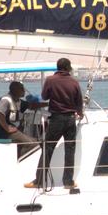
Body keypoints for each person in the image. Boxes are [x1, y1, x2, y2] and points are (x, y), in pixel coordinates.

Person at [41, 58, 85, 190]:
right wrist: (80, 113)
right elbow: (79, 102)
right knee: (70, 150)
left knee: (48, 148)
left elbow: (44, 97)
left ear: (58, 67)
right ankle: (68, 182)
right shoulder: (74, 82)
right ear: (68, 67)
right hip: (71, 119)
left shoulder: (50, 80)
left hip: (56, 119)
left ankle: (39, 179)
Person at [0, 81, 40, 159]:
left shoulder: (18, 101)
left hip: (14, 131)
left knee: (36, 141)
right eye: (22, 89)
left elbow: (31, 106)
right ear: (15, 90)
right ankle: (20, 160)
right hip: (4, 132)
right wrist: (7, 128)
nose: (24, 91)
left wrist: (48, 104)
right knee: (32, 144)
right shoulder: (6, 100)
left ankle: (20, 157)